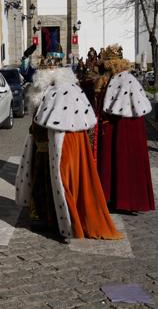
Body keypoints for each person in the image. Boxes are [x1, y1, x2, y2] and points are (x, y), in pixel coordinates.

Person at [16, 67, 122, 240]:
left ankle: (57, 220)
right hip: (41, 150)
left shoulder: (63, 93)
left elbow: (63, 122)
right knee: (42, 185)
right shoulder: (50, 92)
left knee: (59, 181)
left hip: (56, 146)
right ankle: (44, 219)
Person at [96, 45, 155, 212]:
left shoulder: (120, 79)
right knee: (126, 162)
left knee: (122, 161)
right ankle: (125, 200)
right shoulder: (124, 78)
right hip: (128, 125)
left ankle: (123, 200)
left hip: (122, 125)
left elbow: (111, 107)